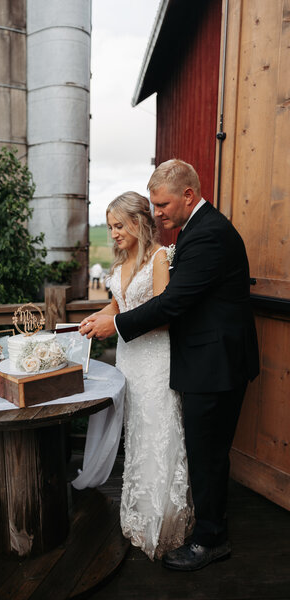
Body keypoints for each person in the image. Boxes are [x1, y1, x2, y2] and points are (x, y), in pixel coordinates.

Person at [80, 159, 259, 571]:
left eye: (162, 204)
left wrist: (118, 324)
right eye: (154, 205)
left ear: (188, 195)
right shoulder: (199, 230)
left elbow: (174, 302)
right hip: (206, 359)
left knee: (207, 453)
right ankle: (208, 527)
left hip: (216, 364)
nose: (157, 212)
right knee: (203, 451)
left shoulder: (208, 235)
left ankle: (211, 540)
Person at [83, 191, 193, 560]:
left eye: (118, 226)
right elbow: (120, 302)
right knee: (137, 436)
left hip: (156, 360)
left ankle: (163, 522)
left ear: (138, 222)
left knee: (159, 436)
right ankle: (138, 514)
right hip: (129, 360)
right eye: (110, 226)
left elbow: (163, 314)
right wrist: (97, 316)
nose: (112, 233)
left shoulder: (159, 257)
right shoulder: (119, 263)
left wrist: (112, 324)